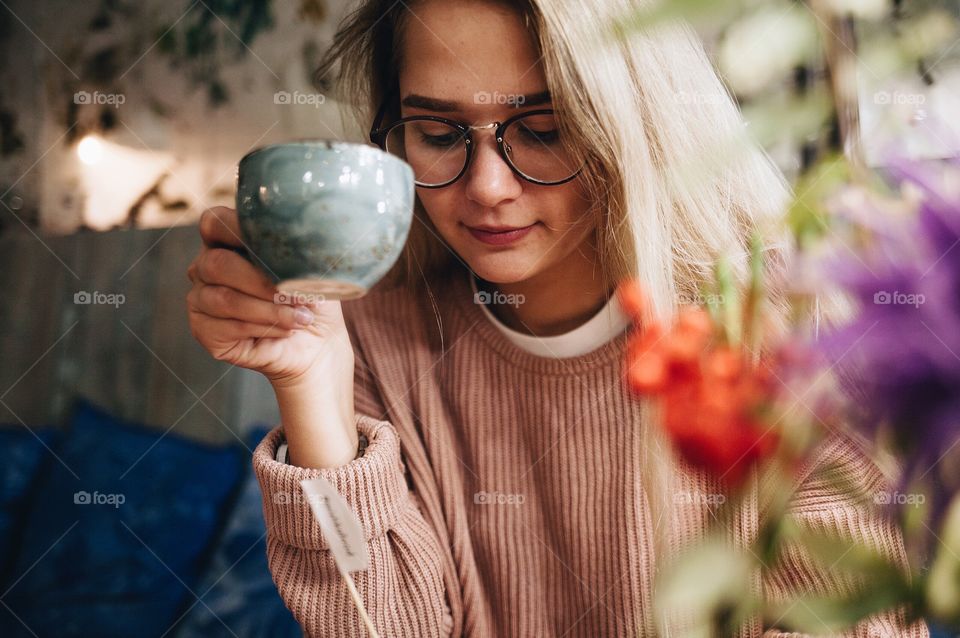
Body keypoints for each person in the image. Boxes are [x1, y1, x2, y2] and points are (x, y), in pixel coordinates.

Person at [186, 0, 929, 635]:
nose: (487, 187)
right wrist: (311, 376)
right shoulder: (372, 336)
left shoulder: (788, 326)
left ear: (628, 125)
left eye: (542, 129)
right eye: (440, 135)